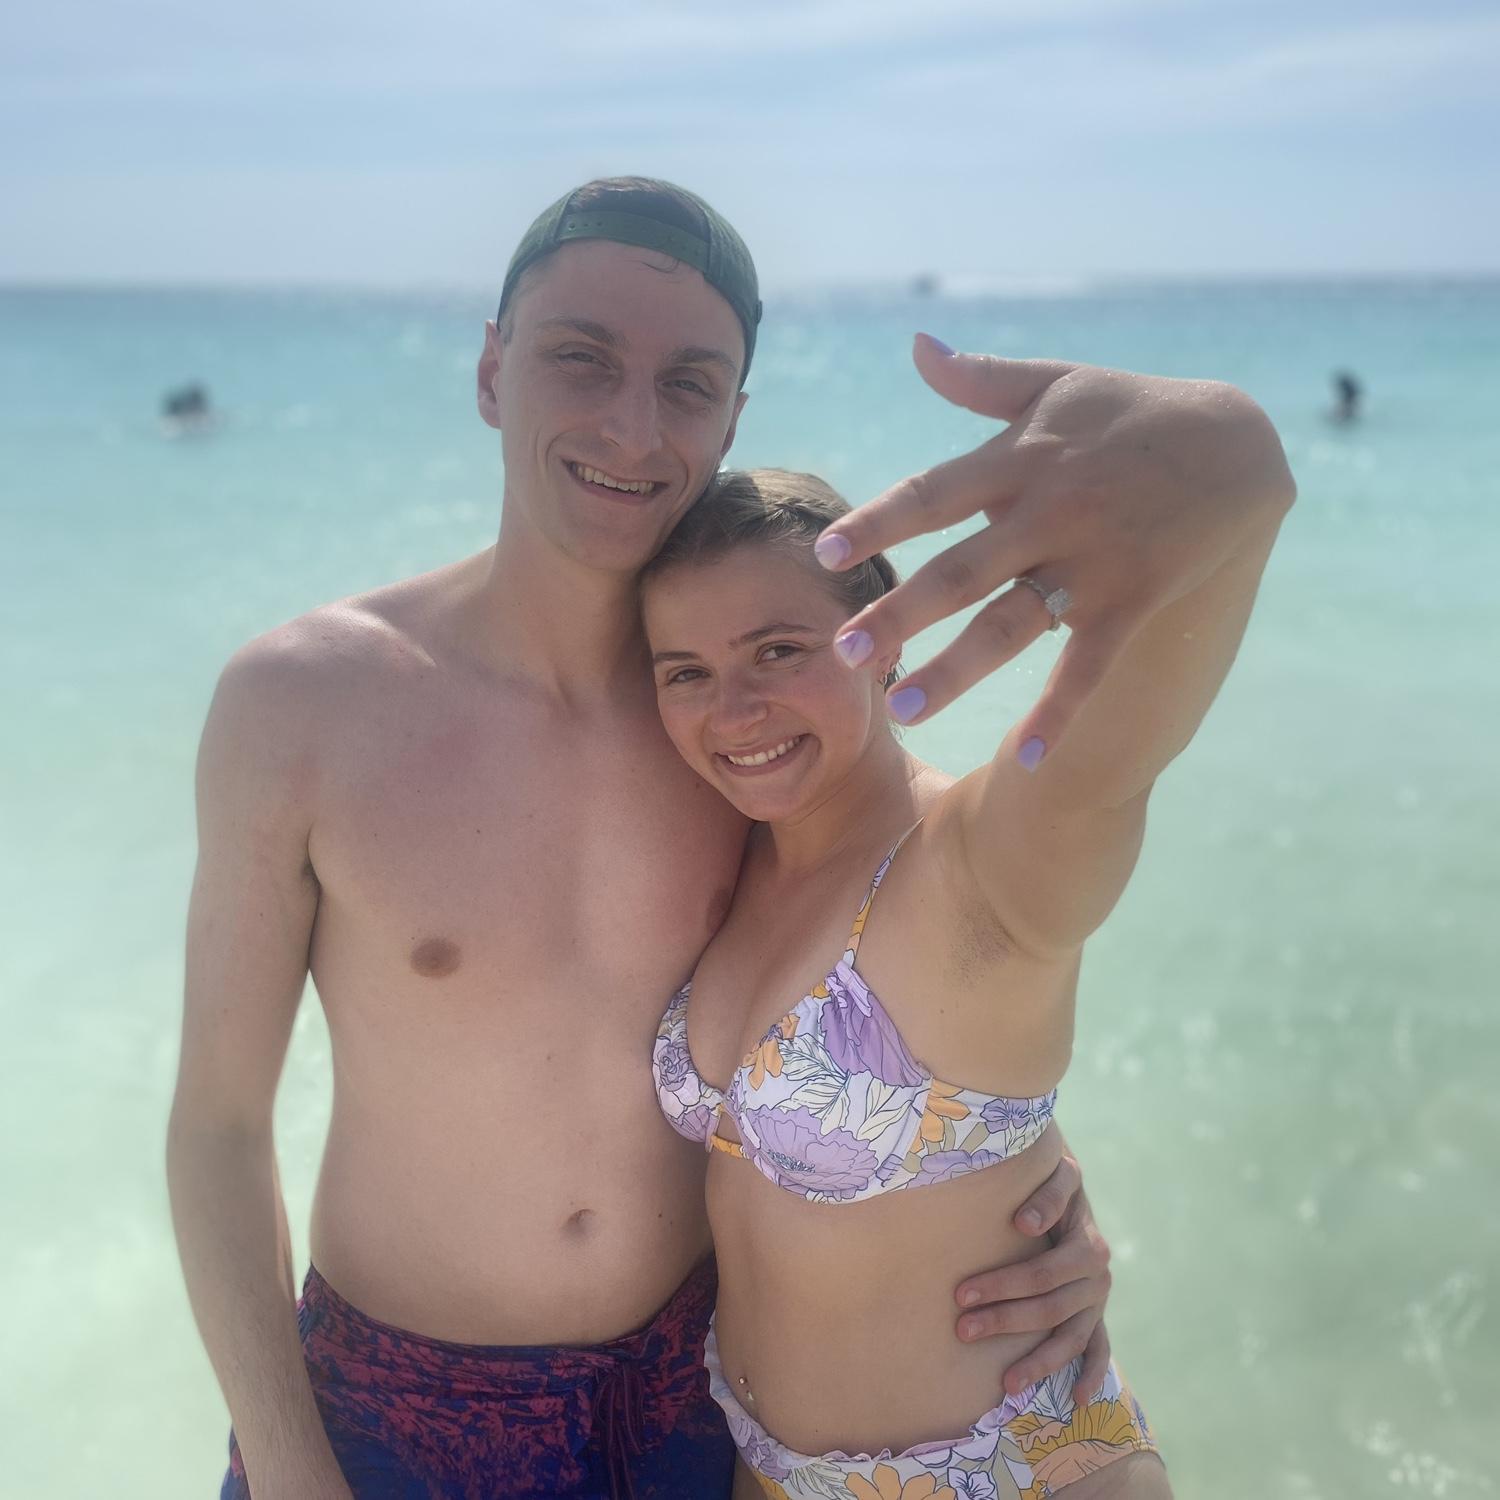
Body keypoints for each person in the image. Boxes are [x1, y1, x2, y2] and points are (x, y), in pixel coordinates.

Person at [166, 176, 1292, 1499]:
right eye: (580, 358)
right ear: (490, 370)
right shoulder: (305, 704)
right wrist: (287, 1466)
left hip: (696, 1410)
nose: (632, 423)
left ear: (730, 420)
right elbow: (219, 1124)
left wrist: (1020, 1179)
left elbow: (925, 948)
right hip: (398, 1411)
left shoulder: (731, 742)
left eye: (689, 383)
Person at [642, 458, 1290, 1498]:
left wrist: (1223, 463)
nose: (736, 712)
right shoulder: (725, 856)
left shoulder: (972, 871)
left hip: (1010, 1473)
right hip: (764, 1472)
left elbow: (1112, 758)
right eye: (686, 672)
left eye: (779, 650)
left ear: (885, 640)